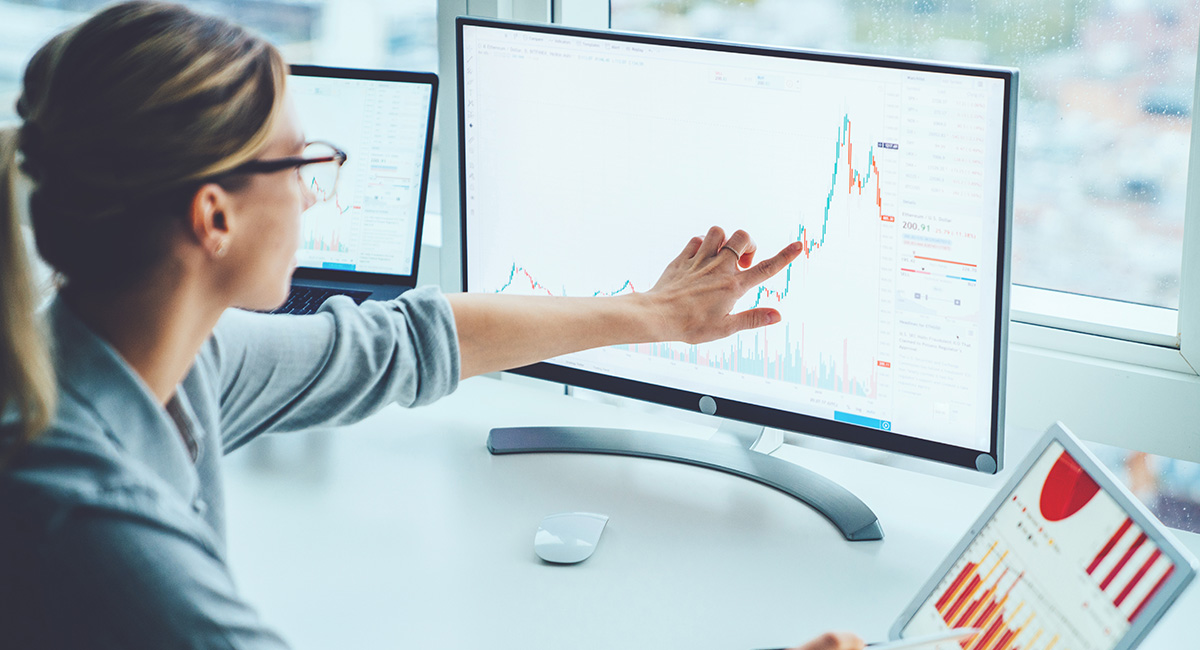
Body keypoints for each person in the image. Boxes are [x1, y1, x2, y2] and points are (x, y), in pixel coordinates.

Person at [0, 3, 866, 649]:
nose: (312, 191)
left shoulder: (144, 356)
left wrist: (658, 313)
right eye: (300, 162)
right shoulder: (89, 522)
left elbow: (405, 343)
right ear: (213, 217)